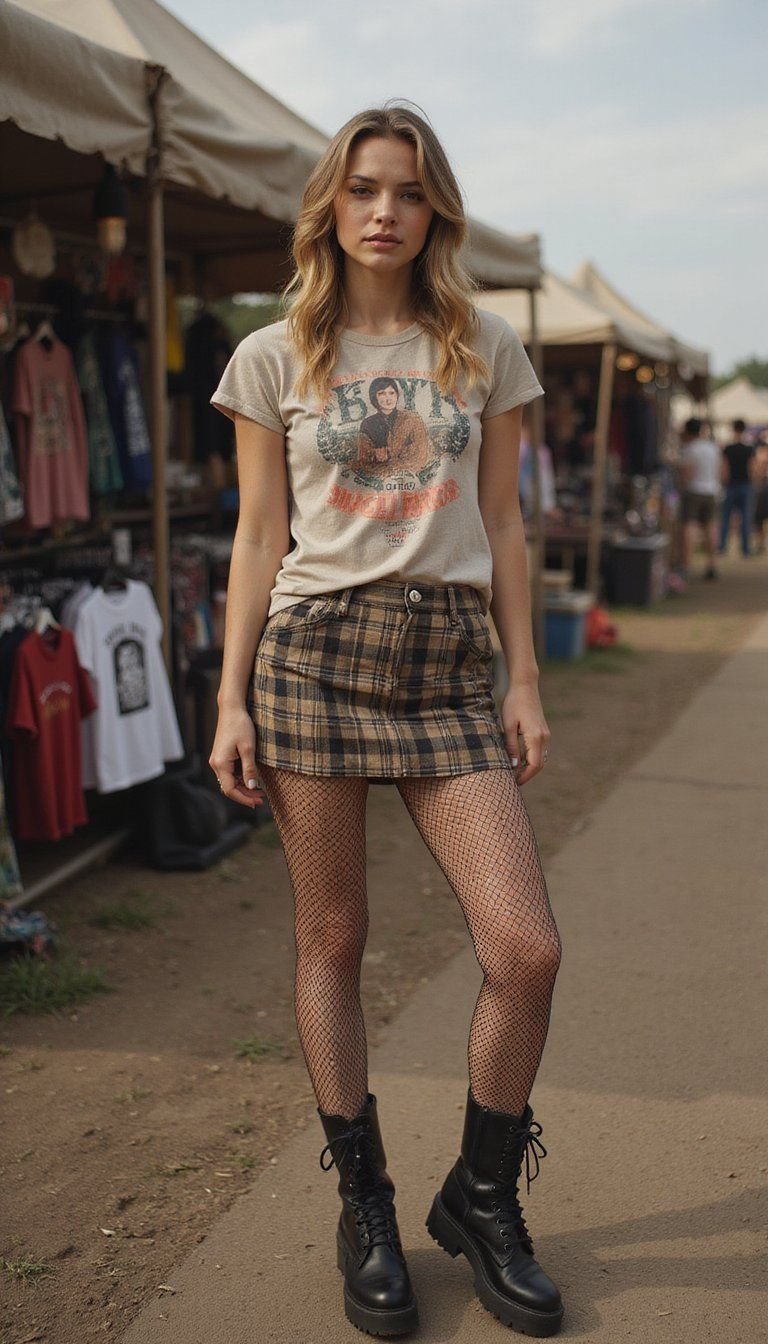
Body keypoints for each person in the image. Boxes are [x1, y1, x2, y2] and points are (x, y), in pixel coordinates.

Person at [209, 103, 563, 1339]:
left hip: (450, 663)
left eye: (407, 192)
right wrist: (227, 697)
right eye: (362, 188)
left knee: (524, 947)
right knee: (334, 942)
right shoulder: (273, 354)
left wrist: (524, 678)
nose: (382, 210)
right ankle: (365, 1202)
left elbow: (507, 525)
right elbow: (259, 537)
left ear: (434, 212)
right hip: (313, 658)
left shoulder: (482, 347)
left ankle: (480, 1195)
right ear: (331, 203)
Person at [679, 416, 721, 579]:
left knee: (689, 526)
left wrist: (681, 482)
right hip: (712, 490)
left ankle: (686, 565)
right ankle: (712, 563)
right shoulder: (712, 448)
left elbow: (687, 474)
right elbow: (721, 471)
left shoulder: (690, 449)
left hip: (694, 490)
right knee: (711, 526)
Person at [719, 418, 755, 557]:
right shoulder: (748, 449)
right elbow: (751, 467)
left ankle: (722, 546)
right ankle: (745, 549)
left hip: (731, 485)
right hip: (745, 484)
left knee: (726, 517)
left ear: (733, 429)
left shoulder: (728, 448)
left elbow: (724, 468)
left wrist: (724, 481)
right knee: (746, 518)